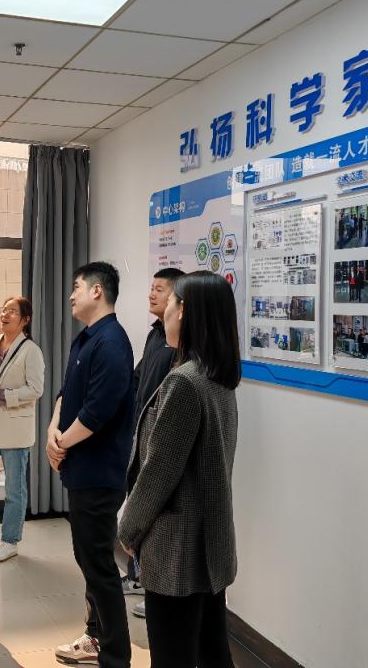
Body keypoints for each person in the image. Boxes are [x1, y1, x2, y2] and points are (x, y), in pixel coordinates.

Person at [118, 271, 240, 668]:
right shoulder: (216, 377)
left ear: (183, 311)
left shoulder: (185, 383)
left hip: (176, 549)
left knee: (173, 657)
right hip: (208, 543)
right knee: (211, 652)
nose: (163, 309)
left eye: (169, 300)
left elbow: (159, 472)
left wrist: (128, 529)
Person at [48, 262, 136, 668]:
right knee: (88, 561)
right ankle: (96, 635)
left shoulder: (113, 342)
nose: (71, 295)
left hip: (100, 474)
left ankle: (115, 656)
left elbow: (98, 411)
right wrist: (53, 431)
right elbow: (67, 394)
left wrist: (61, 444)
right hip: (80, 469)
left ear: (97, 291)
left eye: (77, 287)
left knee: (99, 565)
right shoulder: (85, 338)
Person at [126, 267, 184, 618]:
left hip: (160, 437)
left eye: (160, 290)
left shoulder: (180, 345)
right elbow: (138, 377)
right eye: (151, 287)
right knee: (136, 502)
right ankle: (136, 576)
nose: (152, 294)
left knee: (153, 514)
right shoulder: (154, 335)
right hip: (140, 432)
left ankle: (153, 587)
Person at [0, 296, 45, 564]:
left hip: (15, 430)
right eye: (3, 310)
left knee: (15, 491)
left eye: (11, 311)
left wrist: (1, 395)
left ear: (25, 319)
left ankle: (10, 541)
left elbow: (36, 389)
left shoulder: (31, 350)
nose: (4, 314)